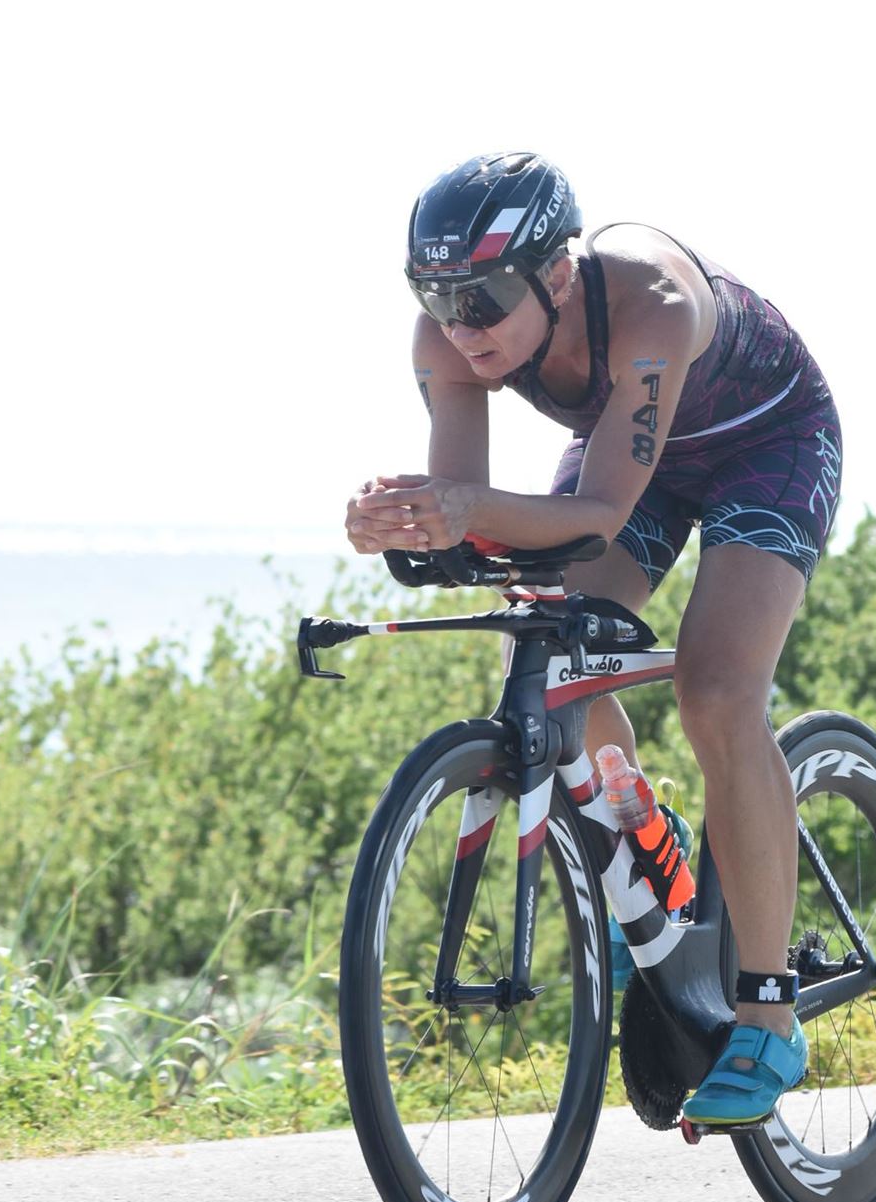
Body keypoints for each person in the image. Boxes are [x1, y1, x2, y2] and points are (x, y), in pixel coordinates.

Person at [345, 152, 843, 1128]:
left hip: (766, 445)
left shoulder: (651, 300)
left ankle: (768, 1015)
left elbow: (601, 511)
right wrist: (402, 522)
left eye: (482, 301)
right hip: (639, 450)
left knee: (716, 690)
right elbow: (472, 522)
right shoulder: (449, 336)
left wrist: (459, 509)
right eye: (436, 299)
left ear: (557, 275)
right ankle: (644, 837)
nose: (460, 328)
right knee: (545, 648)